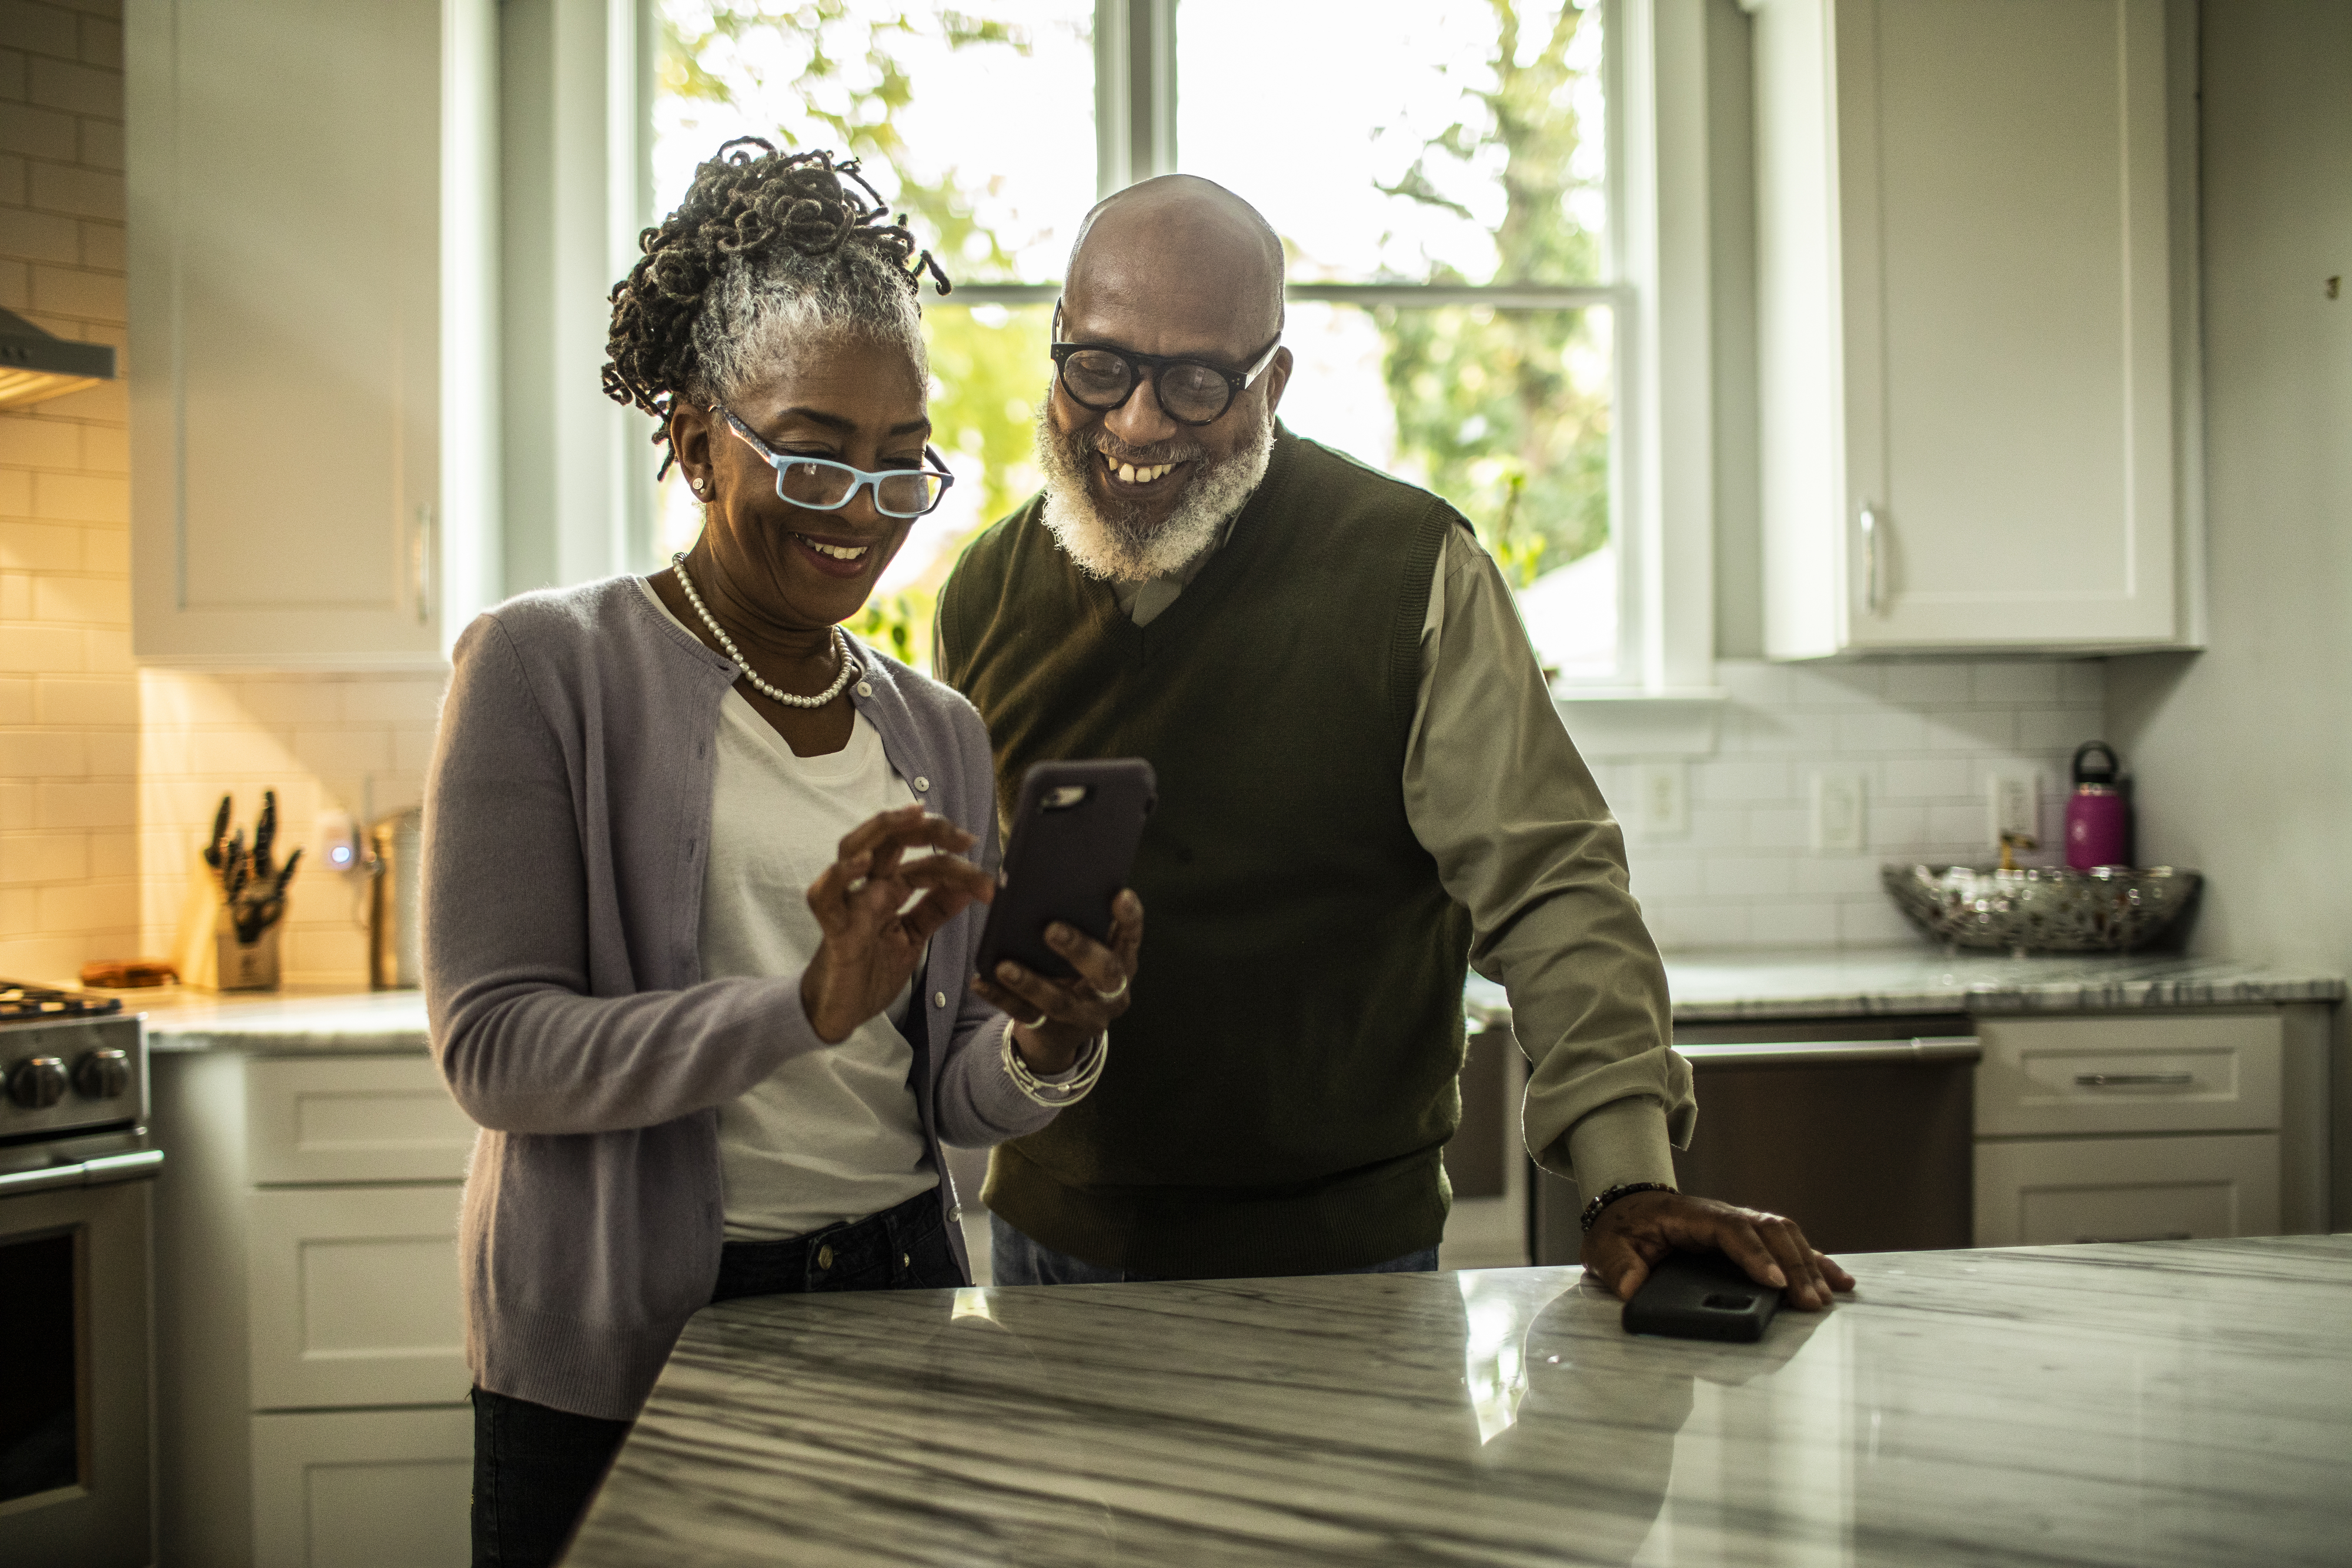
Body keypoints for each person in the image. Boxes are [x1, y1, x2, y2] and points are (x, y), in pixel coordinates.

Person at [936, 174, 1852, 1308]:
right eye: (1103, 367)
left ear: (1272, 380)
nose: (1136, 420)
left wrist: (1626, 1182)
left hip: (1340, 1262)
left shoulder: (1408, 570)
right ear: (1060, 348)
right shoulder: (983, 594)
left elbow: (1552, 883)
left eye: (1198, 382)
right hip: (1046, 1242)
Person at [423, 141, 1144, 1568]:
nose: (860, 506)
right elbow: (494, 1049)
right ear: (698, 442)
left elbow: (942, 1086)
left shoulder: (932, 728)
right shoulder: (542, 665)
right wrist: (798, 1004)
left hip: (897, 1295)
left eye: (897, 464)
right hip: (632, 1338)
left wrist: (1049, 1044)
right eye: (811, 450)